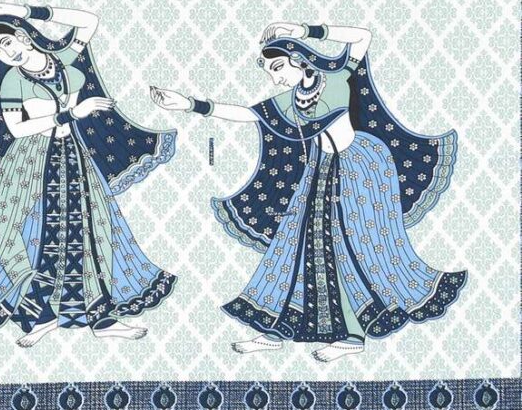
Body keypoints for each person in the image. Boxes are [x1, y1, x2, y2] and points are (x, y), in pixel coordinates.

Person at [151, 21, 465, 363]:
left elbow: (364, 36)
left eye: (277, 68)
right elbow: (249, 114)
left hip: (360, 169)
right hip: (321, 168)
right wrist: (190, 104)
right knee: (295, 246)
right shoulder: (292, 99)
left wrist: (304, 30)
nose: (275, 78)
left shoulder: (337, 77)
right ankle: (277, 329)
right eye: (269, 72)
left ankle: (353, 335)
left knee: (352, 249)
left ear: (298, 59)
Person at [0, 2, 177, 348]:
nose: (5, 54)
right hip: (30, 161)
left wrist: (25, 9)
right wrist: (71, 114)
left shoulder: (63, 60)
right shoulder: (14, 81)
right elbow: (18, 129)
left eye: (6, 43)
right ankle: (40, 315)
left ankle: (102, 318)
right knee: (23, 230)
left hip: (72, 156)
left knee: (87, 231)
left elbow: (89, 21)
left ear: (22, 36)